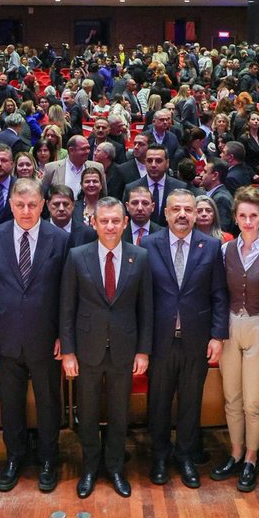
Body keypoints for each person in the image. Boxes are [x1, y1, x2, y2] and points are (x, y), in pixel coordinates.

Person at [0, 179, 71, 493]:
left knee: (48, 402)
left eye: (32, 205)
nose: (26, 211)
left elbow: (66, 292)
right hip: (5, 338)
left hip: (46, 338)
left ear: (43, 204)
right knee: (11, 403)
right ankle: (14, 457)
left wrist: (64, 334)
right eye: (20, 205)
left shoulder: (59, 239)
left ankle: (48, 458)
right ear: (10, 205)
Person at [60, 197, 153, 499]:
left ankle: (114, 467)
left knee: (118, 412)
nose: (110, 226)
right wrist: (69, 351)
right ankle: (89, 467)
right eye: (105, 221)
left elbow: (146, 309)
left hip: (124, 350)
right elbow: (66, 307)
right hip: (87, 348)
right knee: (86, 412)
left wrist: (143, 350)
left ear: (125, 222)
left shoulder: (140, 257)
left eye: (116, 220)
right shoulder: (77, 256)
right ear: (94, 223)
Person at [144, 191, 229, 489]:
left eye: (188, 210)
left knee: (191, 402)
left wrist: (218, 335)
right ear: (165, 213)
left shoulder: (212, 247)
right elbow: (143, 299)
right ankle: (159, 457)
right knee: (159, 402)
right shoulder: (148, 245)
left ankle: (185, 457)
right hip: (159, 340)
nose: (182, 214)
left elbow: (219, 295)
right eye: (176, 209)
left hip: (196, 338)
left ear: (196, 214)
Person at [214, 188, 259, 492]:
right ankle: (235, 452)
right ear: (235, 218)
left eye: (253, 215)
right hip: (230, 325)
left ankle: (251, 457)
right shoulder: (225, 250)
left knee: (253, 400)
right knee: (231, 397)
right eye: (242, 216)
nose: (248, 221)